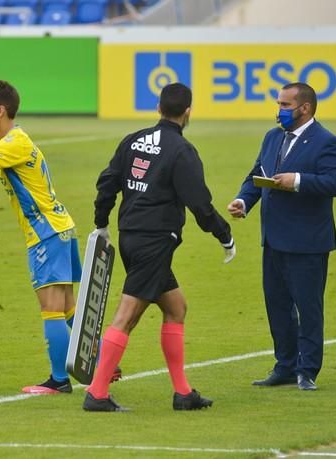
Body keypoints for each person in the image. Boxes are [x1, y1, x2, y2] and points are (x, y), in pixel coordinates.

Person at [0, 80, 116, 394]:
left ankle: (59, 380)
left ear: (0, 110)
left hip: (47, 233)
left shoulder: (14, 144)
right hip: (60, 228)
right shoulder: (7, 141)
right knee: (68, 306)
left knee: (52, 308)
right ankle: (100, 365)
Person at [83, 82, 236, 412]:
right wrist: (224, 234)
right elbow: (199, 203)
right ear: (188, 112)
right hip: (155, 242)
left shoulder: (133, 141)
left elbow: (107, 182)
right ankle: (96, 393)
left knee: (176, 307)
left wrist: (101, 222)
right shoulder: (182, 151)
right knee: (127, 317)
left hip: (130, 236)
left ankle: (183, 393)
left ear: (158, 108)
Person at [227, 82, 336, 391]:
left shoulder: (327, 142)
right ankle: (284, 366)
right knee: (277, 306)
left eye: (284, 105)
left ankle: (307, 371)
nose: (279, 110)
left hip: (307, 242)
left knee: (308, 309)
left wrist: (298, 180)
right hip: (273, 239)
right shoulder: (272, 138)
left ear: (304, 108)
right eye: (279, 104)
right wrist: (243, 201)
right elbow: (257, 176)